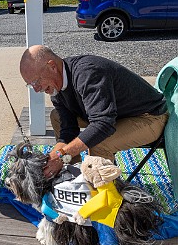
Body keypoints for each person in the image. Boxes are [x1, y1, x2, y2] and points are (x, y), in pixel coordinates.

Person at [20, 45, 168, 179]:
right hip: (116, 115)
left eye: (36, 81)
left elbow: (103, 125)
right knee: (57, 116)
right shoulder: (55, 88)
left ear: (52, 66)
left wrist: (61, 155)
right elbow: (68, 130)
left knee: (99, 143)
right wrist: (55, 156)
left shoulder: (88, 73)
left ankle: (101, 194)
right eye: (30, 85)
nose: (36, 89)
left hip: (149, 117)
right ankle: (74, 174)